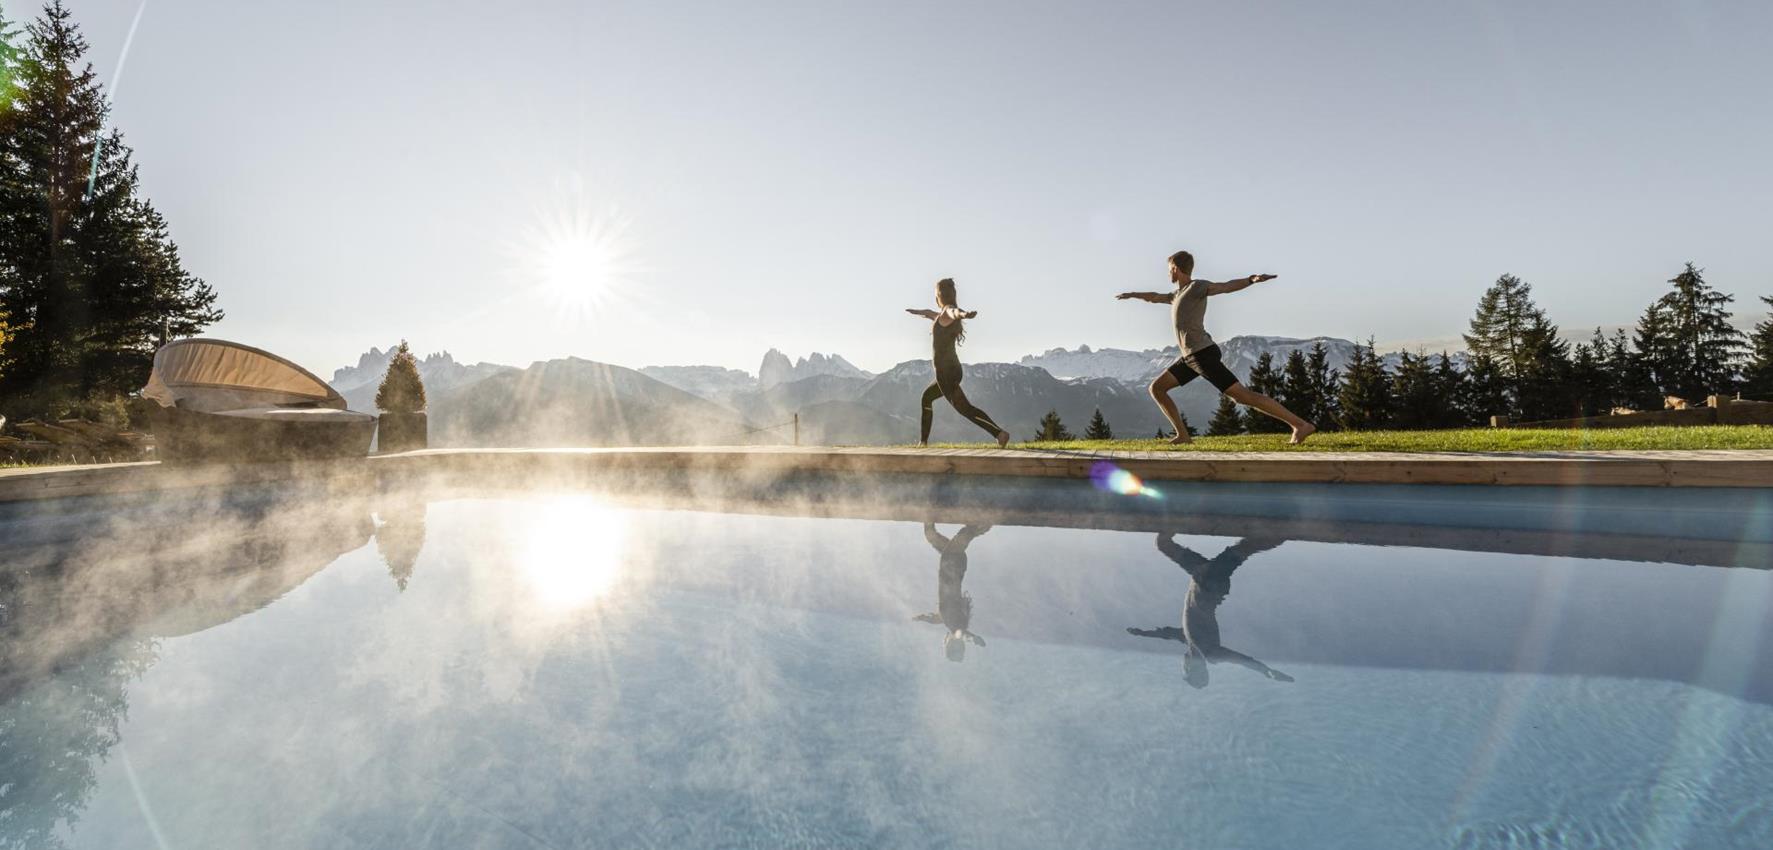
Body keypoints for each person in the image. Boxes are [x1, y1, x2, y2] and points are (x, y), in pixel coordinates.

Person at [1117, 250, 1316, 444]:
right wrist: (1133, 294)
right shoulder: (1176, 295)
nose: (1168, 272)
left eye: (1169, 269)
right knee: (1157, 388)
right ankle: (1183, 436)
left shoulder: (1197, 287)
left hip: (1202, 354)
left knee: (1242, 396)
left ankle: (1299, 425)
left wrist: (1250, 280)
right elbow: (1154, 296)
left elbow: (1225, 286)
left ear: (1176, 269)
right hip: (1190, 357)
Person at [1127, 533, 1294, 688]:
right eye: (1187, 668)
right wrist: (1266, 671)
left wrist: (1142, 633)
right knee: (1244, 548)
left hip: (1201, 576)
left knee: (1164, 544)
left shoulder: (1189, 640)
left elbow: (1167, 634)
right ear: (1193, 667)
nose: (1183, 663)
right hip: (1210, 583)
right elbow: (1243, 660)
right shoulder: (1210, 653)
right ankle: (1285, 531)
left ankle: (1282, 532)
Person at [906, 278, 1011, 447]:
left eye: (935, 295)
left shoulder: (948, 311)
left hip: (946, 372)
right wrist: (918, 312)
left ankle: (999, 434)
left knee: (965, 409)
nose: (935, 299)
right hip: (951, 370)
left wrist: (964, 314)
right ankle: (923, 442)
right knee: (927, 398)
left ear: (940, 295)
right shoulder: (941, 315)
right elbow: (931, 314)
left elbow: (955, 312)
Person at [913, 522, 991, 661]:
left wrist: (924, 618)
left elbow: (938, 619)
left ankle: (985, 523)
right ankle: (987, 519)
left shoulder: (950, 622)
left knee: (932, 535)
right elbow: (961, 634)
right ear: (952, 644)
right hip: (952, 563)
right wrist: (974, 638)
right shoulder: (957, 627)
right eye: (948, 646)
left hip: (953, 564)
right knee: (967, 531)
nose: (945, 644)